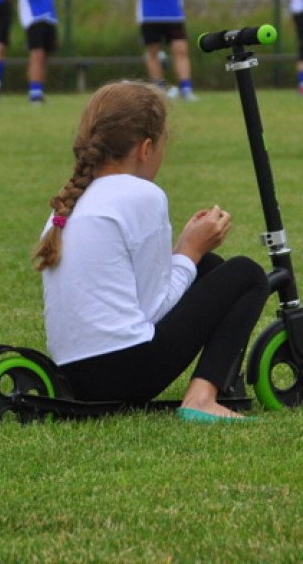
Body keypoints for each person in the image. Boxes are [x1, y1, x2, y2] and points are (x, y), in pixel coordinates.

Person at [33, 81, 271, 422]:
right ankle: (201, 399)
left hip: (74, 377)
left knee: (211, 268)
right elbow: (152, 310)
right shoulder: (142, 195)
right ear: (146, 148)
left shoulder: (71, 204)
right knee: (246, 274)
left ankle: (210, 392)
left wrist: (189, 253)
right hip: (125, 372)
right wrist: (190, 250)